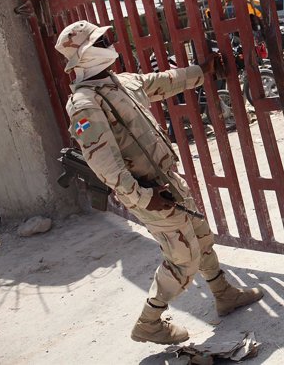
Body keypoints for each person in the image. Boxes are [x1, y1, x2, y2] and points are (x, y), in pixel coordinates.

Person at [55, 20, 263, 345]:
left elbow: (164, 82)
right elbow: (104, 164)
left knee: (200, 235)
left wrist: (202, 70)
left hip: (168, 182)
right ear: (84, 55)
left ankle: (224, 294)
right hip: (148, 194)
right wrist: (143, 197)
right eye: (101, 40)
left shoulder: (119, 83)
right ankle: (149, 321)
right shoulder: (85, 104)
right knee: (182, 258)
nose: (110, 42)